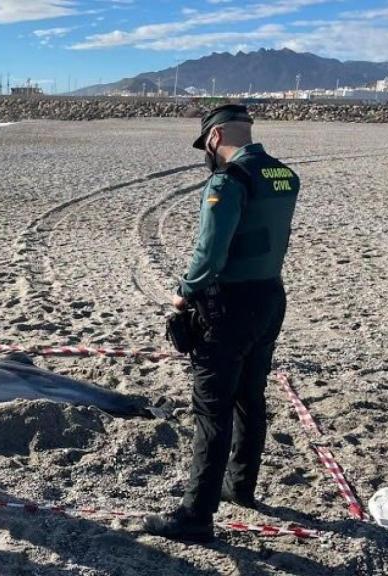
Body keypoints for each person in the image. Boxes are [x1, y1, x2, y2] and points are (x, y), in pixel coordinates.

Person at [144, 104, 300, 543]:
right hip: (270, 294)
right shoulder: (284, 175)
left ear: (214, 139)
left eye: (205, 146)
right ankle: (241, 486)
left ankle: (195, 516)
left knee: (211, 410)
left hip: (228, 304)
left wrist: (184, 293)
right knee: (250, 396)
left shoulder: (228, 181)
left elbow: (210, 252)